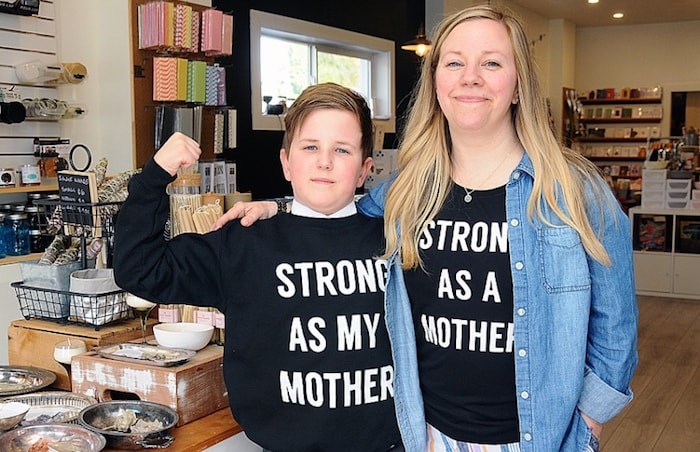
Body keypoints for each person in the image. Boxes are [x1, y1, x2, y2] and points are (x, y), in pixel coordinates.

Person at [213, 5, 638, 452]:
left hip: (540, 440)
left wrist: (589, 421)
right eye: (454, 62)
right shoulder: (404, 191)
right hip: (427, 438)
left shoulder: (575, 192)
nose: (470, 77)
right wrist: (280, 206)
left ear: (518, 87)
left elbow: (616, 328)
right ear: (437, 85)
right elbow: (338, 206)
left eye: (491, 62)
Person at [113, 83, 403, 452]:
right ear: (286, 162)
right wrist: (154, 176)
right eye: (310, 146)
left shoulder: (397, 242)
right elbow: (139, 269)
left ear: (365, 170)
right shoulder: (244, 242)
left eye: (341, 150)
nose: (324, 161)